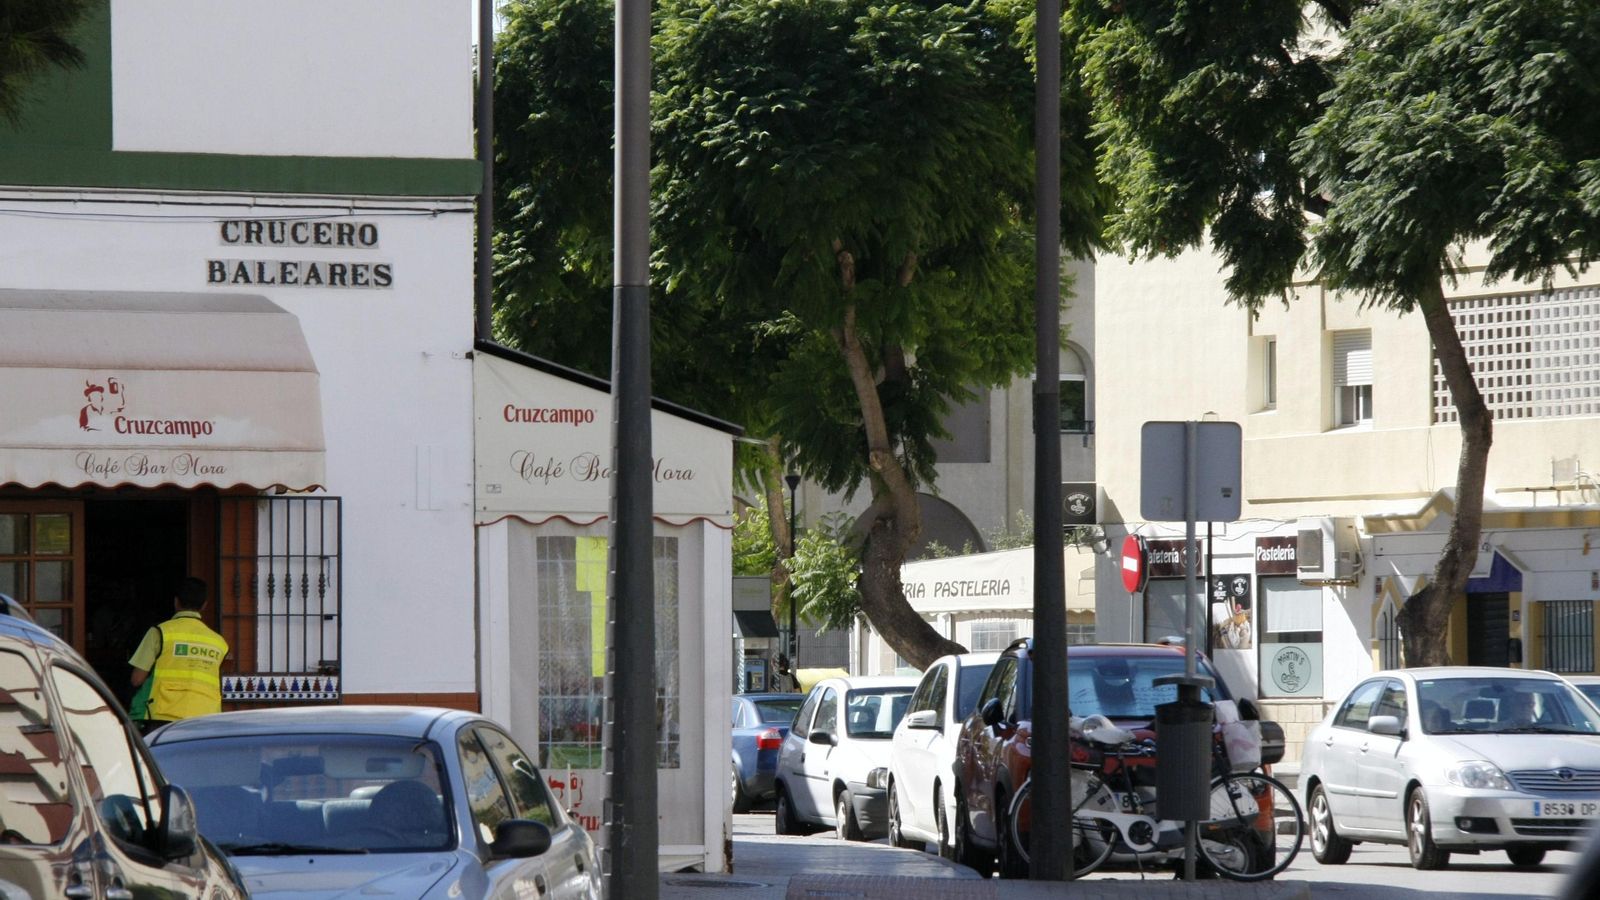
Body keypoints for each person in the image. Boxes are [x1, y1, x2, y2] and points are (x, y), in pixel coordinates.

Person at [128, 577, 229, 731]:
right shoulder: (219, 643)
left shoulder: (160, 632)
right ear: (204, 605)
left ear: (176, 602)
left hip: (162, 717)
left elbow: (137, 679)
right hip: (205, 718)